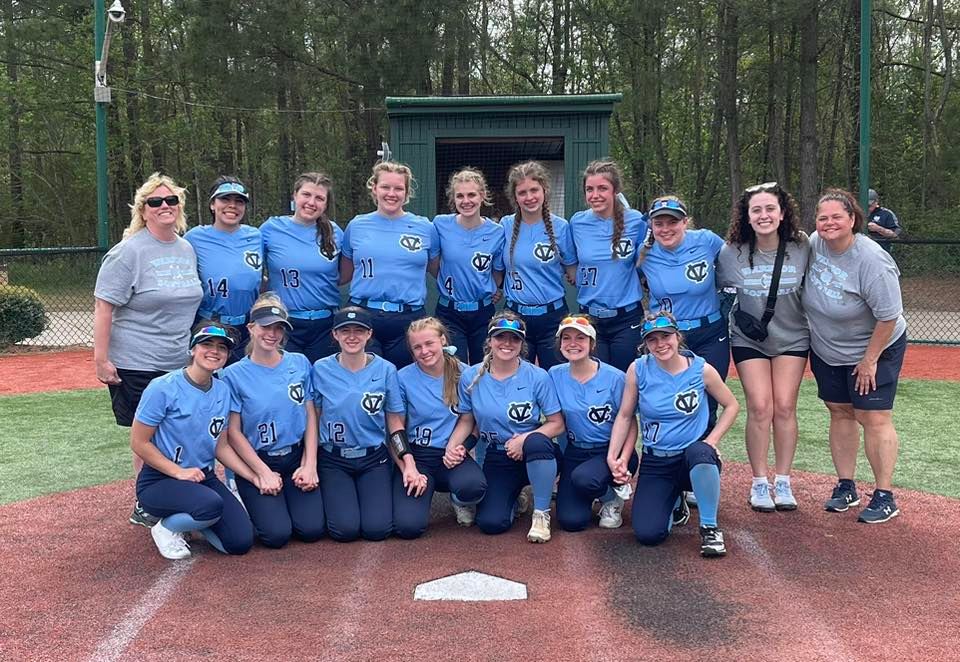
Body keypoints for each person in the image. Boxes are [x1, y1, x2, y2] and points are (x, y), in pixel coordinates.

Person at [94, 172, 203, 528]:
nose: (164, 206)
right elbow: (104, 307)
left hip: (178, 360)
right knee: (148, 436)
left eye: (171, 200)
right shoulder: (128, 252)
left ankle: (170, 494)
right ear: (143, 210)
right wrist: (101, 359)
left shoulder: (186, 248)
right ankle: (146, 502)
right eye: (155, 202)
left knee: (177, 432)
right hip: (138, 361)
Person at [802, 188, 908, 524]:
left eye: (837, 217)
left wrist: (869, 360)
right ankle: (846, 485)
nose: (829, 223)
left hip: (875, 347)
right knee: (840, 411)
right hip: (828, 349)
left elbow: (888, 315)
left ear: (852, 220)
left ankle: (884, 494)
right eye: (823, 217)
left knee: (873, 416)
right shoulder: (813, 244)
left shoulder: (872, 260)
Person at [608, 313, 739, 557]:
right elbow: (625, 415)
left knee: (700, 452)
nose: (661, 344)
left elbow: (732, 405)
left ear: (678, 336)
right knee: (648, 534)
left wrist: (711, 441)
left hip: (692, 457)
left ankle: (709, 527)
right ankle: (674, 501)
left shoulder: (701, 369)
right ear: (645, 344)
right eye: (652, 339)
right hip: (656, 460)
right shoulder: (638, 369)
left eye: (666, 336)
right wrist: (613, 456)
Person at [718, 182, 810, 512]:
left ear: (783, 213)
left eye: (770, 208)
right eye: (756, 210)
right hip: (749, 340)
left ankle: (783, 480)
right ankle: (759, 482)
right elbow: (716, 291)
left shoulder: (802, 247)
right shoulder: (732, 252)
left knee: (784, 406)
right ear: (747, 215)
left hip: (793, 338)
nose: (764, 215)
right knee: (760, 406)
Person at [131, 323, 255, 560]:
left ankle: (196, 521)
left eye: (222, 347)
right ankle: (167, 527)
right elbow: (139, 443)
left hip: (202, 477)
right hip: (160, 480)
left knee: (240, 541)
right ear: (192, 349)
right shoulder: (162, 388)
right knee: (210, 504)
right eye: (206, 344)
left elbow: (222, 446)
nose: (214, 351)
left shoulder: (222, 390)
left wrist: (252, 476)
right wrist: (178, 472)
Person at [443, 312, 565, 543]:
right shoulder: (471, 376)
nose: (507, 344)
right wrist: (452, 446)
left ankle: (541, 514)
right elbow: (468, 420)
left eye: (515, 338)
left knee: (538, 441)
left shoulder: (538, 377)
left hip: (533, 451)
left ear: (522, 343)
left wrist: (524, 440)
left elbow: (556, 423)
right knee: (491, 523)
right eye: (500, 337)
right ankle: (514, 496)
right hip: (498, 455)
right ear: (489, 340)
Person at [311, 306, 426, 541]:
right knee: (345, 531)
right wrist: (310, 463)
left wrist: (409, 463)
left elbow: (394, 423)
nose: (352, 336)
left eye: (358, 330)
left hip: (374, 458)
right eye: (345, 331)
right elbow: (314, 418)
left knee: (378, 530)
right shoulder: (320, 369)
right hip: (334, 459)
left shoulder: (385, 370)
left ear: (369, 334)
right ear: (335, 335)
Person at [221, 293, 325, 548]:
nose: (273, 333)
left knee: (311, 530)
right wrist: (262, 472)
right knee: (276, 535)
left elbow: (310, 414)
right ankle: (245, 495)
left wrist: (310, 463)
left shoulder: (299, 363)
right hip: (260, 459)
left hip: (295, 458)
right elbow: (233, 432)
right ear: (251, 328)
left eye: (279, 328)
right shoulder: (232, 375)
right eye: (266, 326)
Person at [637, 195, 729, 430]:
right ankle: (669, 458)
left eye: (673, 222)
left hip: (710, 333)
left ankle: (704, 459)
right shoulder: (644, 254)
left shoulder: (707, 241)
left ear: (685, 222)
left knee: (708, 402)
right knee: (668, 400)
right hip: (667, 337)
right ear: (651, 226)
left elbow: (736, 259)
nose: (666, 229)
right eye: (659, 223)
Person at [393, 317, 488, 538]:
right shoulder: (402, 377)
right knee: (408, 527)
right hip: (418, 456)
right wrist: (409, 467)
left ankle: (459, 499)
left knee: (473, 486)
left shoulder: (465, 374)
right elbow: (395, 427)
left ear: (443, 340)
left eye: (429, 343)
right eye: (417, 347)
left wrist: (462, 448)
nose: (424, 351)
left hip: (451, 454)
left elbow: (473, 422)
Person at [341, 162, 440, 369]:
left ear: (407, 193)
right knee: (367, 384)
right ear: (374, 188)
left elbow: (439, 271)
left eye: (398, 188)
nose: (391, 194)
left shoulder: (425, 227)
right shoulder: (357, 225)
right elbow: (344, 274)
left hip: (408, 318)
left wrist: (491, 287)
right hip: (364, 315)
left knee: (406, 384)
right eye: (385, 187)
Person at [549, 315, 638, 531]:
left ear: (592, 344)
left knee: (585, 479)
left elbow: (630, 422)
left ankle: (612, 498)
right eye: (566, 338)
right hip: (575, 451)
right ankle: (599, 493)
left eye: (581, 338)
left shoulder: (615, 377)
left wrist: (622, 460)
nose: (573, 344)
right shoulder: (554, 375)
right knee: (571, 521)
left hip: (610, 450)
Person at [569, 160, 648, 372]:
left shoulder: (636, 221)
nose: (595, 195)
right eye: (589, 189)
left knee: (627, 383)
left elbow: (644, 263)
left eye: (602, 188)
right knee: (596, 382)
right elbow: (571, 262)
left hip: (626, 318)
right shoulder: (577, 223)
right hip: (590, 318)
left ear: (615, 191)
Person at [500, 161, 577, 371]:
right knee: (517, 380)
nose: (529, 197)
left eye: (534, 190)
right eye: (522, 192)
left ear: (545, 190)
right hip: (515, 317)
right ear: (515, 197)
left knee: (557, 378)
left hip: (552, 317)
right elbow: (496, 271)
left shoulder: (561, 227)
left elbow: (574, 272)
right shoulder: (505, 226)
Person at [261, 172, 343, 363]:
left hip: (325, 324)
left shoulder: (335, 232)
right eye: (306, 195)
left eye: (319, 198)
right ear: (295, 195)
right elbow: (251, 270)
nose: (312, 202)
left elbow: (345, 273)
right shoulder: (271, 229)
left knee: (324, 383)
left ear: (325, 204)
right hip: (283, 323)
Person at [184, 176, 262, 365]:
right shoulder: (195, 238)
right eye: (225, 199)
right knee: (210, 381)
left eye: (239, 201)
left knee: (245, 385)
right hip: (211, 325)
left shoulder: (256, 236)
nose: (232, 206)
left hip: (248, 326)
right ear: (212, 204)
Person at [433, 168, 506, 364]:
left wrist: (489, 287)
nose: (466, 201)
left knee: (484, 368)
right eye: (460, 196)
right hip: (449, 311)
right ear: (453, 199)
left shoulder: (496, 231)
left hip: (482, 312)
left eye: (472, 194)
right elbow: (433, 265)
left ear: (482, 195)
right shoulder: (440, 225)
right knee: (452, 369)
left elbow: (497, 271)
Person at [866, 188, 902, 253]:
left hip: (881, 251)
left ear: (876, 202)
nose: (867, 208)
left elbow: (895, 235)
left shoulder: (886, 214)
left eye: (869, 205)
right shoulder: (856, 213)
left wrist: (878, 229)